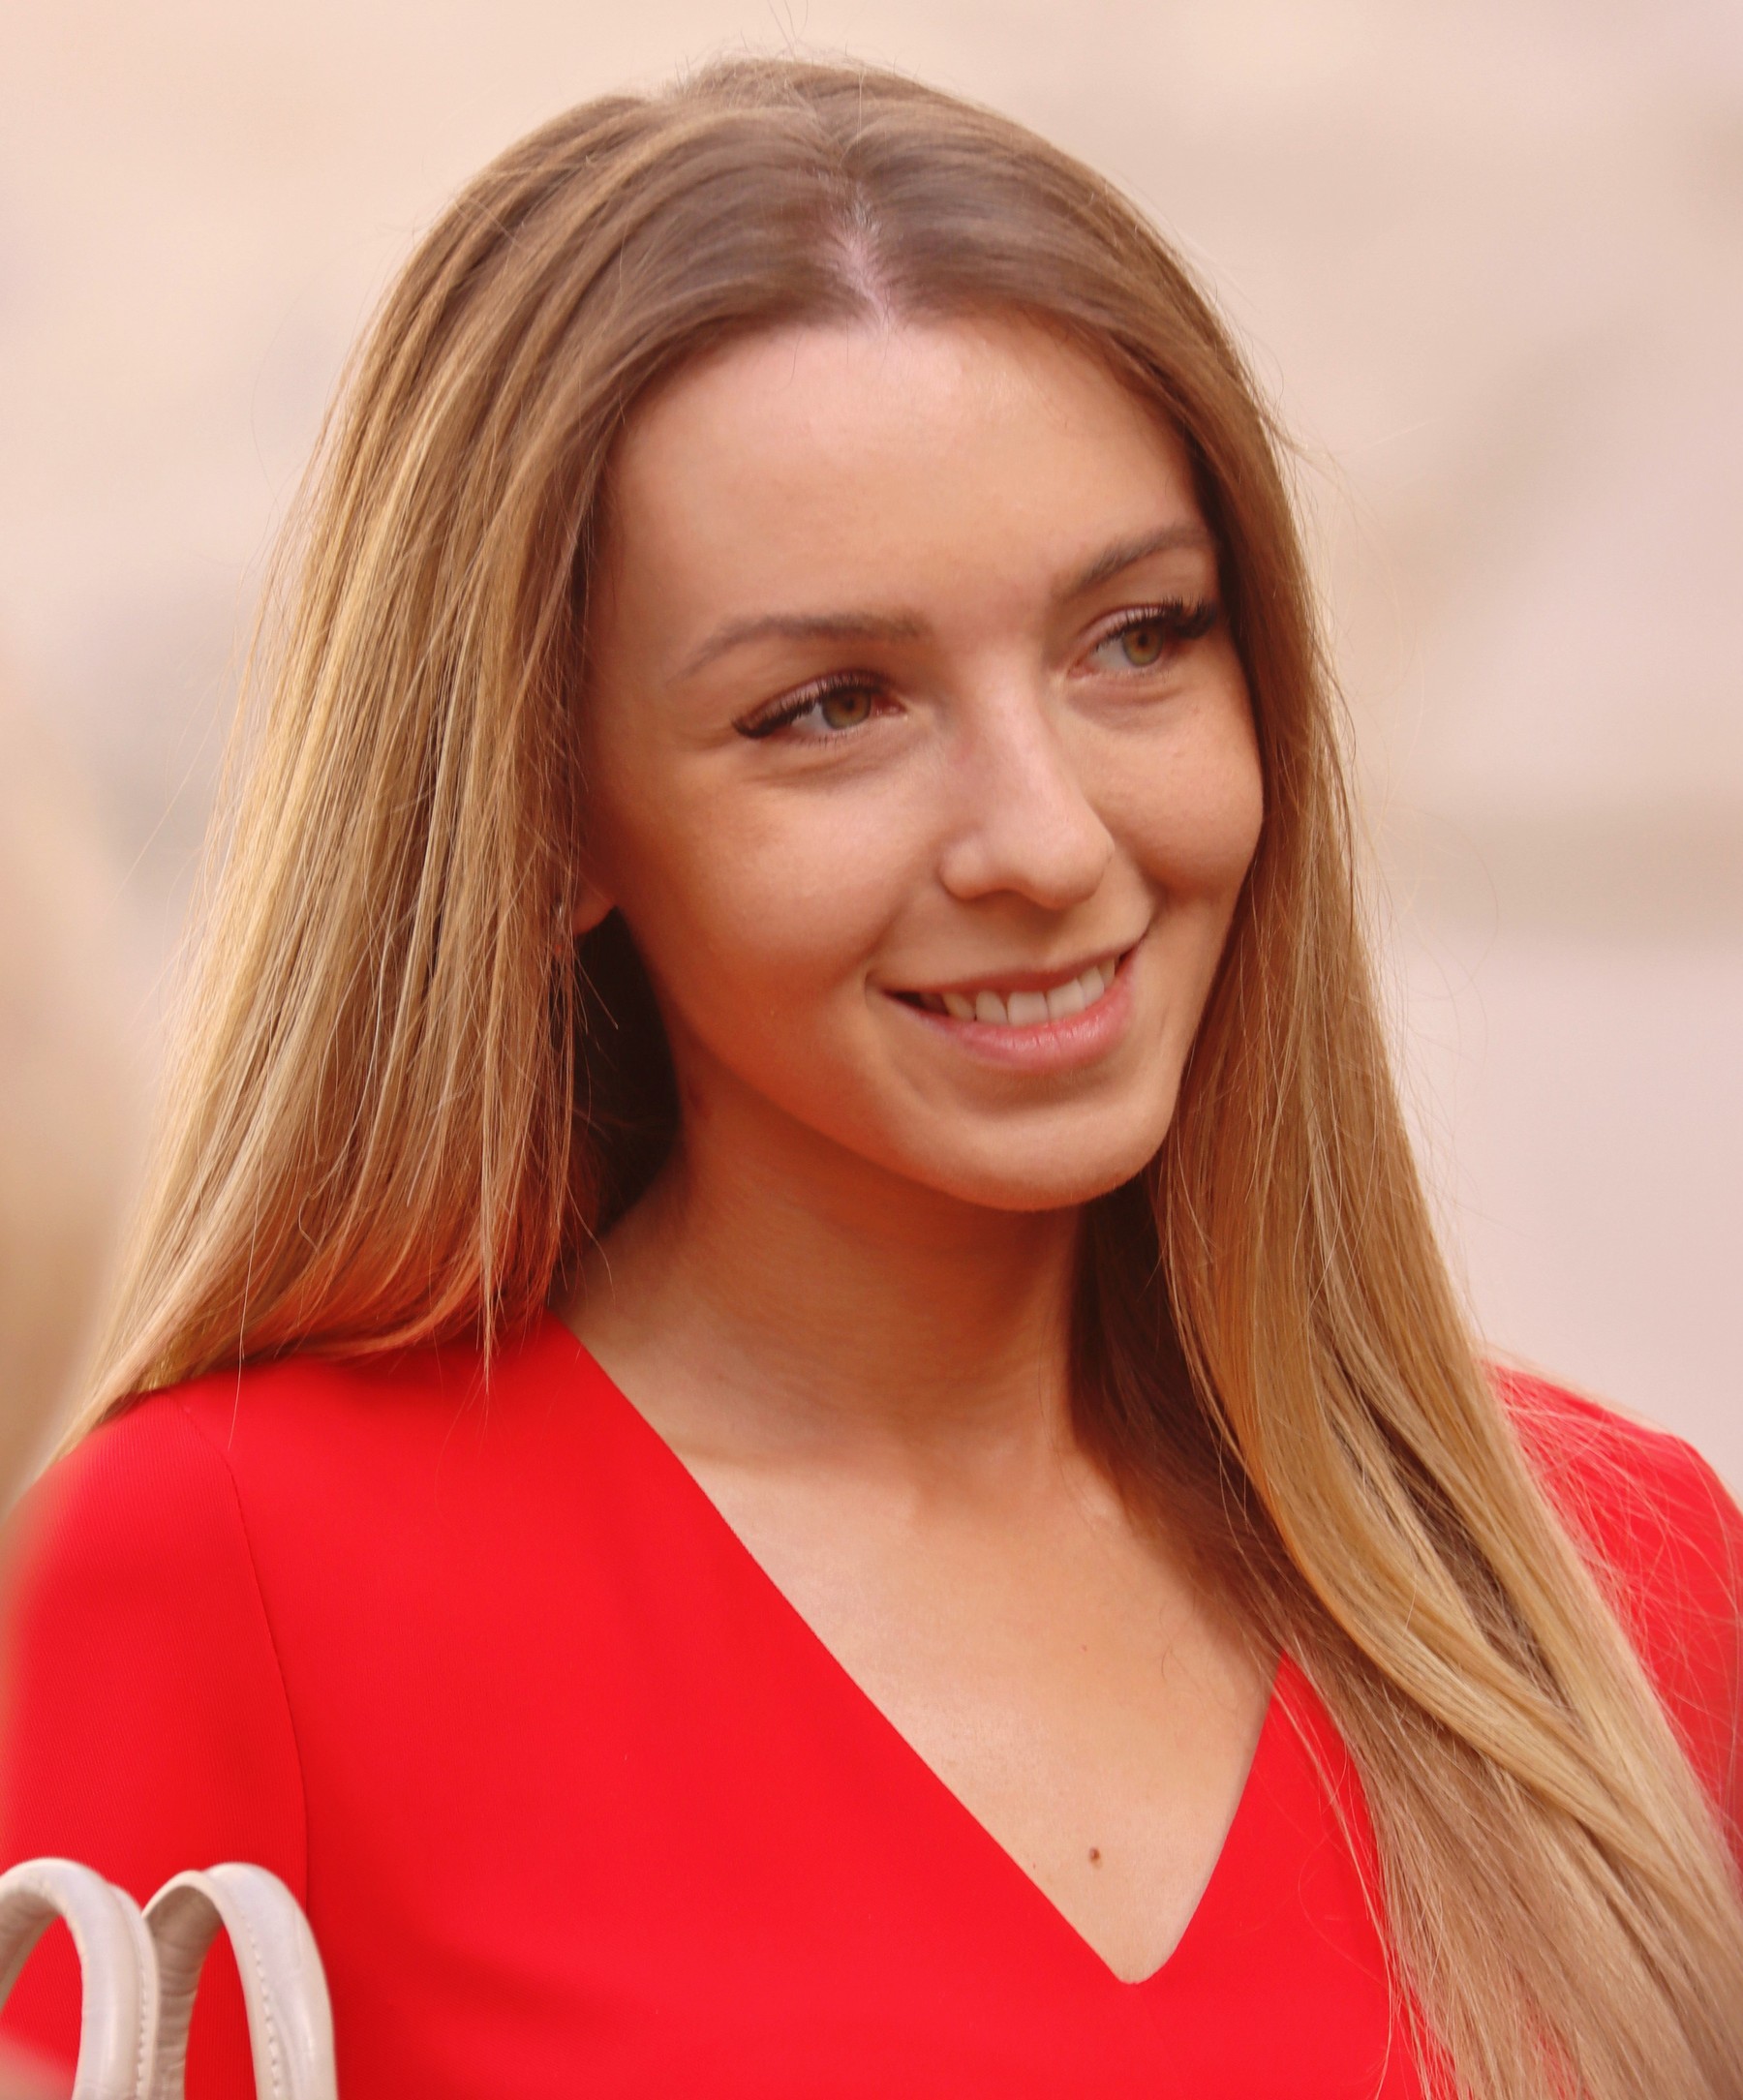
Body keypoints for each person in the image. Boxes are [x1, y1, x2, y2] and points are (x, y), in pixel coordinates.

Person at [0, 55, 1737, 2100]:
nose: (1050, 837)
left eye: (1137, 636)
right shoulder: (225, 1568)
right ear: (549, 818)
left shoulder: (1622, 1572)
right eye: (833, 705)